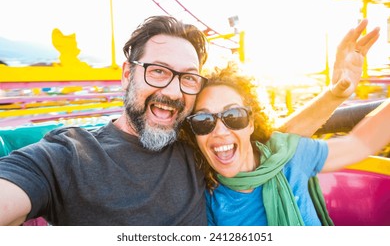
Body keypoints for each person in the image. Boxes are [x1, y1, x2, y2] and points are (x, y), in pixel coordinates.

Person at [0, 16, 380, 225]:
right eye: (158, 72)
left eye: (187, 78)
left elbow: (266, 142)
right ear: (126, 74)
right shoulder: (66, 155)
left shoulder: (195, 144)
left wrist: (337, 93)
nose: (173, 91)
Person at [183, 61, 390, 226]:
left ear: (251, 123)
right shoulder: (206, 198)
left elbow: (359, 144)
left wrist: (337, 91)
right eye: (203, 121)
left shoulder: (289, 155)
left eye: (233, 116)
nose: (219, 130)